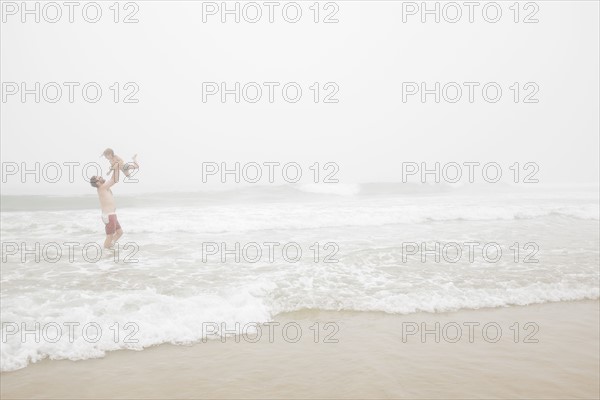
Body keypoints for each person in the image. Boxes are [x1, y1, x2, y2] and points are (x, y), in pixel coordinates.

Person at [90, 172, 123, 249]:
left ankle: (110, 246)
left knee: (119, 232)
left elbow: (115, 179)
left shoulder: (104, 188)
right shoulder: (102, 188)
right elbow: (114, 179)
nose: (101, 177)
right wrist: (116, 166)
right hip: (109, 216)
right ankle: (106, 251)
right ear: (97, 183)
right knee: (109, 236)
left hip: (111, 215)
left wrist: (115, 167)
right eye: (99, 177)